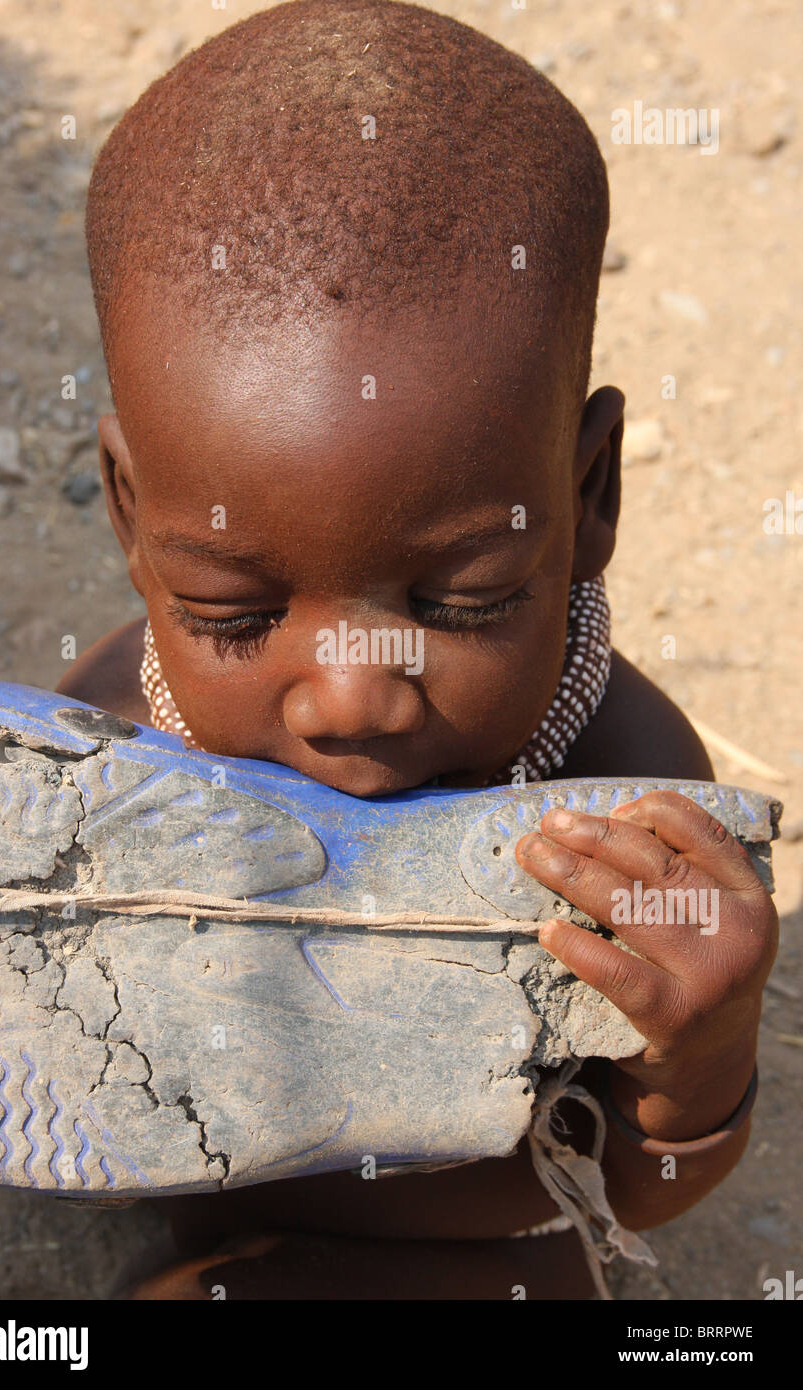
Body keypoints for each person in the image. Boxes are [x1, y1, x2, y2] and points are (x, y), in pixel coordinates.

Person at [59, 0, 777, 1299]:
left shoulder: (622, 800)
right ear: (126, 511)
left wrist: (697, 1065)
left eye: (460, 598)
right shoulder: (102, 741)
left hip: (484, 1248)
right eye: (232, 611)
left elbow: (644, 1186)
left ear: (590, 492)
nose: (351, 698)